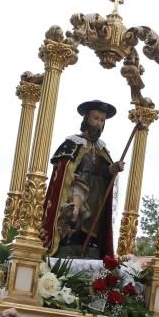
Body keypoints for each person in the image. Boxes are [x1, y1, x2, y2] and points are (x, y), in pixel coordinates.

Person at [40, 100, 125, 258]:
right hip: (76, 188)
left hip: (95, 195)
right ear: (86, 119)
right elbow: (63, 169)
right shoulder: (72, 144)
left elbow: (104, 171)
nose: (98, 123)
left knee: (92, 220)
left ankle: (88, 241)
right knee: (74, 211)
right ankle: (66, 240)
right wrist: (71, 175)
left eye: (102, 120)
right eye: (95, 118)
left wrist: (112, 169)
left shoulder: (102, 149)